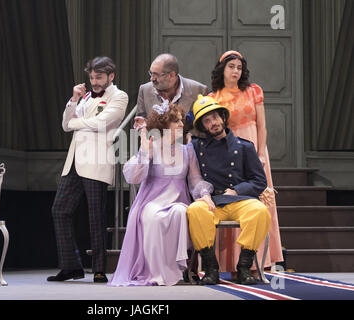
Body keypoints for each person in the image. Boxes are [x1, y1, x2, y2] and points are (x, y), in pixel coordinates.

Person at [109, 104, 214, 286]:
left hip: (177, 200)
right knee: (153, 217)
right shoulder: (150, 146)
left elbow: (195, 179)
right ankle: (155, 272)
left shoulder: (188, 150)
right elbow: (134, 177)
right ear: (164, 125)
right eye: (176, 121)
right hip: (152, 200)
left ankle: (174, 270)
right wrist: (144, 154)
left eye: (181, 120)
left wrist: (205, 194)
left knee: (180, 213)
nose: (181, 124)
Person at [47, 56, 128, 283]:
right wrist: (73, 101)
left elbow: (102, 123)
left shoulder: (119, 96)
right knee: (59, 210)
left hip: (96, 161)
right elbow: (65, 124)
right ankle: (70, 266)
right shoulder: (82, 98)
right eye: (92, 77)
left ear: (110, 76)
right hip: (74, 162)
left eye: (99, 77)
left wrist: (75, 123)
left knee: (95, 216)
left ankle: (99, 268)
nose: (94, 81)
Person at [208, 50, 283, 274]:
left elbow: (262, 125)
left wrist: (260, 153)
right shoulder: (214, 98)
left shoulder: (253, 91)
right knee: (235, 201)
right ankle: (233, 262)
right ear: (223, 70)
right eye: (231, 67)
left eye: (239, 68)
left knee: (260, 201)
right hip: (230, 152)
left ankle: (261, 259)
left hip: (254, 149)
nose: (236, 71)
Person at [186, 95, 271, 285]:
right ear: (203, 126)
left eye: (215, 117)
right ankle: (210, 268)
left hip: (239, 200)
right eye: (207, 121)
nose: (213, 123)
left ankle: (244, 267)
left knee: (260, 211)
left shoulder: (244, 146)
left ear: (223, 118)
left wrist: (236, 190)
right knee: (194, 210)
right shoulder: (195, 147)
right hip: (213, 202)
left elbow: (259, 180)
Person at [133, 53, 208, 135]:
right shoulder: (144, 90)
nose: (152, 79)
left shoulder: (199, 90)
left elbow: (203, 125)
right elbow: (141, 122)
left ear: (171, 75)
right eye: (151, 73)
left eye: (156, 75)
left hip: (189, 144)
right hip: (156, 145)